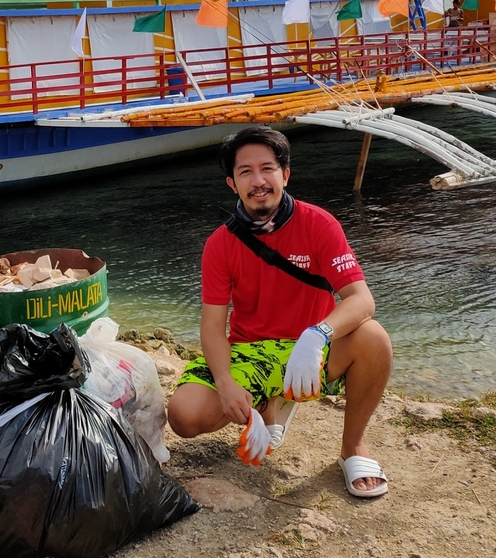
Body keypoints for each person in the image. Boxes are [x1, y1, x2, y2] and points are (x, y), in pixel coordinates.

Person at [167, 127, 393, 497]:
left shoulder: (319, 224)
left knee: (374, 338)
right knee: (185, 415)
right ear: (232, 183)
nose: (258, 181)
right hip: (251, 351)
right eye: (245, 172)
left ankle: (353, 446)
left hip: (310, 350)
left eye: (267, 169)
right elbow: (212, 327)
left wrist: (317, 334)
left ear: (285, 174)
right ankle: (269, 404)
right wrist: (225, 384)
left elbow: (361, 300)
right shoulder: (220, 244)